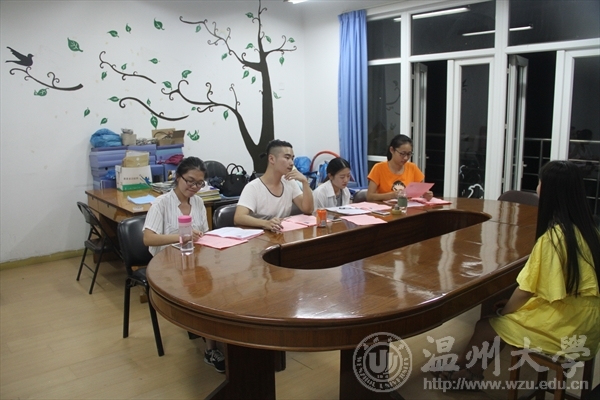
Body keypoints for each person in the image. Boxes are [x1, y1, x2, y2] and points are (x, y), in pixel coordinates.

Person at [438, 160, 600, 383]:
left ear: (549, 190)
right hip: (589, 323)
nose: (537, 187)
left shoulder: (553, 239)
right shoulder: (590, 232)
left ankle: (465, 372)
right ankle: (466, 370)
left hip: (567, 328)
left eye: (540, 183)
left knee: (487, 325)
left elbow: (525, 291)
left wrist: (505, 313)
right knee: (502, 316)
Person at [142, 156, 225, 373]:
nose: (194, 187)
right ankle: (210, 347)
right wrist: (181, 237)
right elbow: (148, 239)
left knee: (217, 286)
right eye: (190, 181)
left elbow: (204, 235)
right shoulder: (161, 204)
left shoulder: (198, 202)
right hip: (168, 268)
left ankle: (217, 337)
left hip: (194, 262)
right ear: (178, 177)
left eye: (199, 183)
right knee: (203, 294)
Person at [234, 139, 314, 231]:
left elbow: (308, 210)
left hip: (282, 234)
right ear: (272, 159)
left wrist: (304, 182)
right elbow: (238, 218)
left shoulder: (289, 182)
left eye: (292, 158)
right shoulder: (253, 187)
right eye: (287, 158)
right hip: (261, 236)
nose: (292, 163)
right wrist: (265, 223)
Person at [366, 134, 433, 202]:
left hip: (409, 206)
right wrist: (392, 195)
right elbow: (369, 196)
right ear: (392, 150)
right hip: (386, 207)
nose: (406, 158)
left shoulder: (413, 168)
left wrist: (426, 194)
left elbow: (421, 191)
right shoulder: (379, 168)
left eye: (409, 154)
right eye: (402, 154)